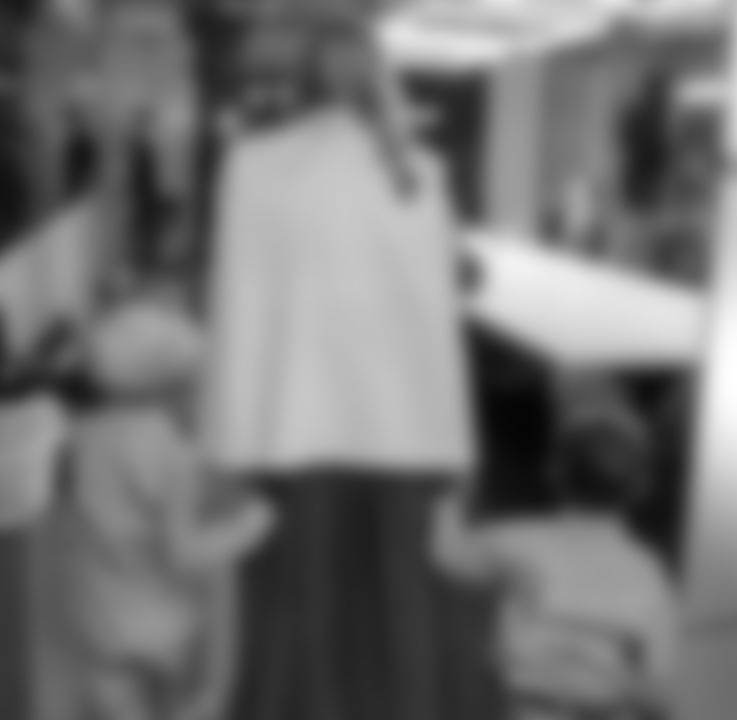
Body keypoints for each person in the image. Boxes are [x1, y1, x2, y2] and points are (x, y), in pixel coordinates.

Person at [203, 5, 494, 720]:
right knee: (402, 649)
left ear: (295, 78)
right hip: (412, 443)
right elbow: (438, 332)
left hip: (286, 440)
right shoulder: (419, 173)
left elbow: (237, 314)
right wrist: (460, 459)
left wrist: (224, 453)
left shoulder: (251, 168)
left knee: (293, 648)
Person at [45, 297, 273, 720]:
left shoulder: (83, 437)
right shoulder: (168, 454)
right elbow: (185, 553)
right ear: (168, 386)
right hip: (154, 639)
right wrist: (251, 526)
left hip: (93, 630)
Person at [431, 393, 680, 720]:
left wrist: (451, 498)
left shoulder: (517, 540)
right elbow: (660, 679)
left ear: (555, 472)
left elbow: (448, 556)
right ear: (641, 487)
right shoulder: (646, 571)